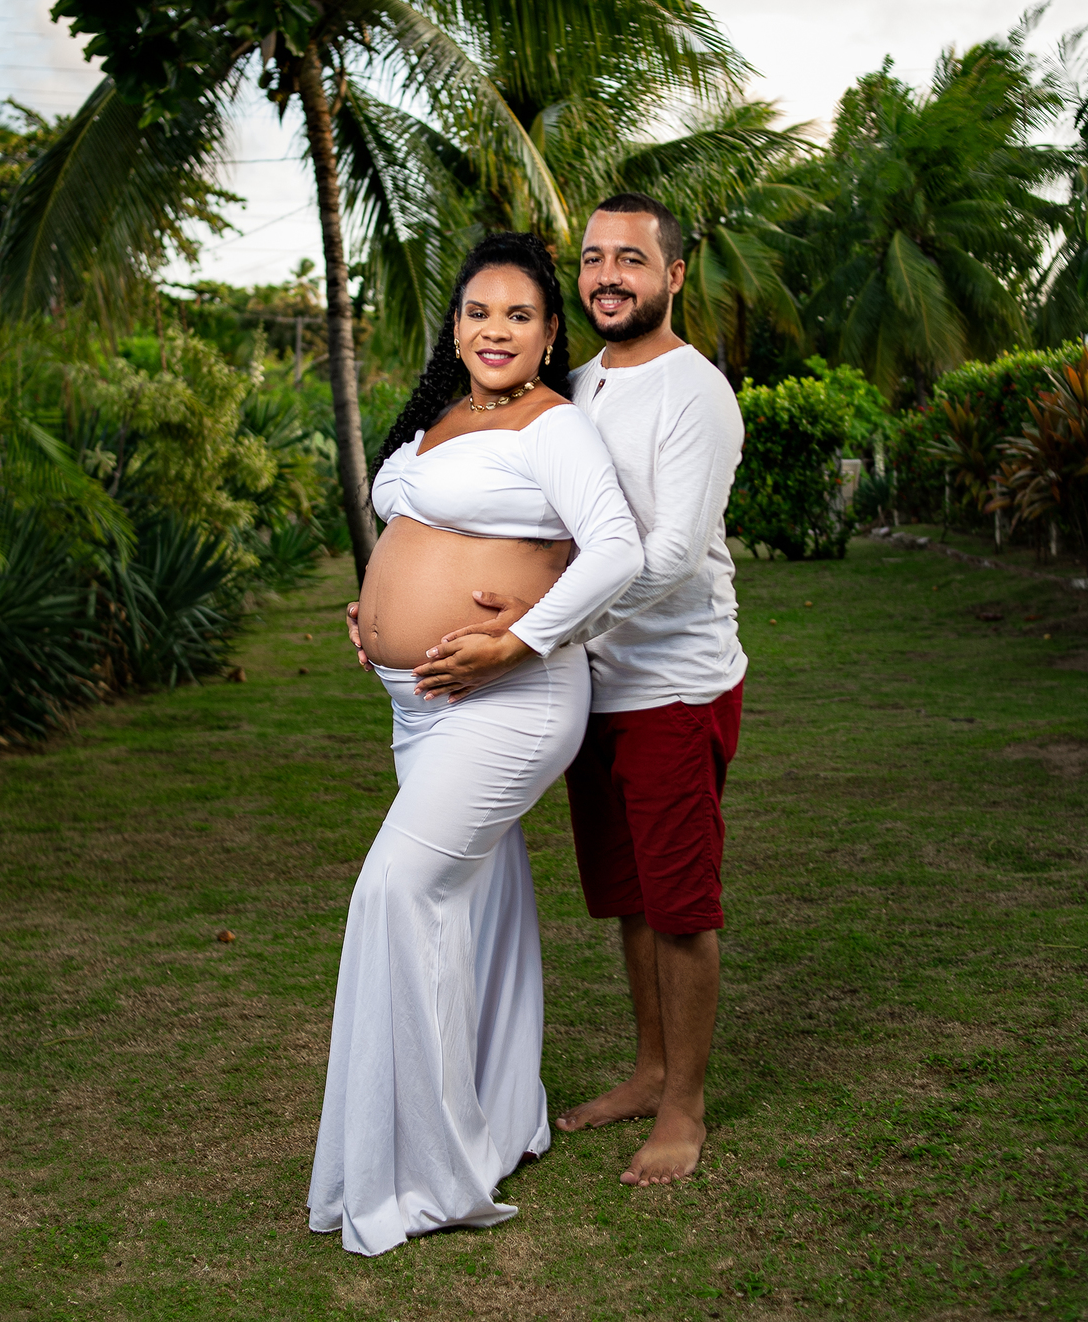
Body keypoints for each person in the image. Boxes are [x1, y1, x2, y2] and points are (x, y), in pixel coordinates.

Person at [308, 231, 642, 1257]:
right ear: (454, 326)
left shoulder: (555, 426)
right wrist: (378, 610)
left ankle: (427, 1169)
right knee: (469, 906)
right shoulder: (436, 419)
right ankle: (497, 1116)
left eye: (519, 315)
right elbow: (419, 535)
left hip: (512, 699)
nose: (496, 330)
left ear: (549, 334)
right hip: (420, 704)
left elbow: (617, 550)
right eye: (479, 311)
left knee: (395, 892)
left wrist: (516, 639)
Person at [411, 194, 746, 1190]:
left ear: (672, 275)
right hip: (588, 686)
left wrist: (528, 631)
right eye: (595, 258)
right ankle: (650, 1070)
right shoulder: (577, 384)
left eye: (630, 259)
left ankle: (684, 1107)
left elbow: (667, 558)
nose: (608, 275)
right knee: (629, 895)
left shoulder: (695, 394)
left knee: (679, 904)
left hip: (673, 685)